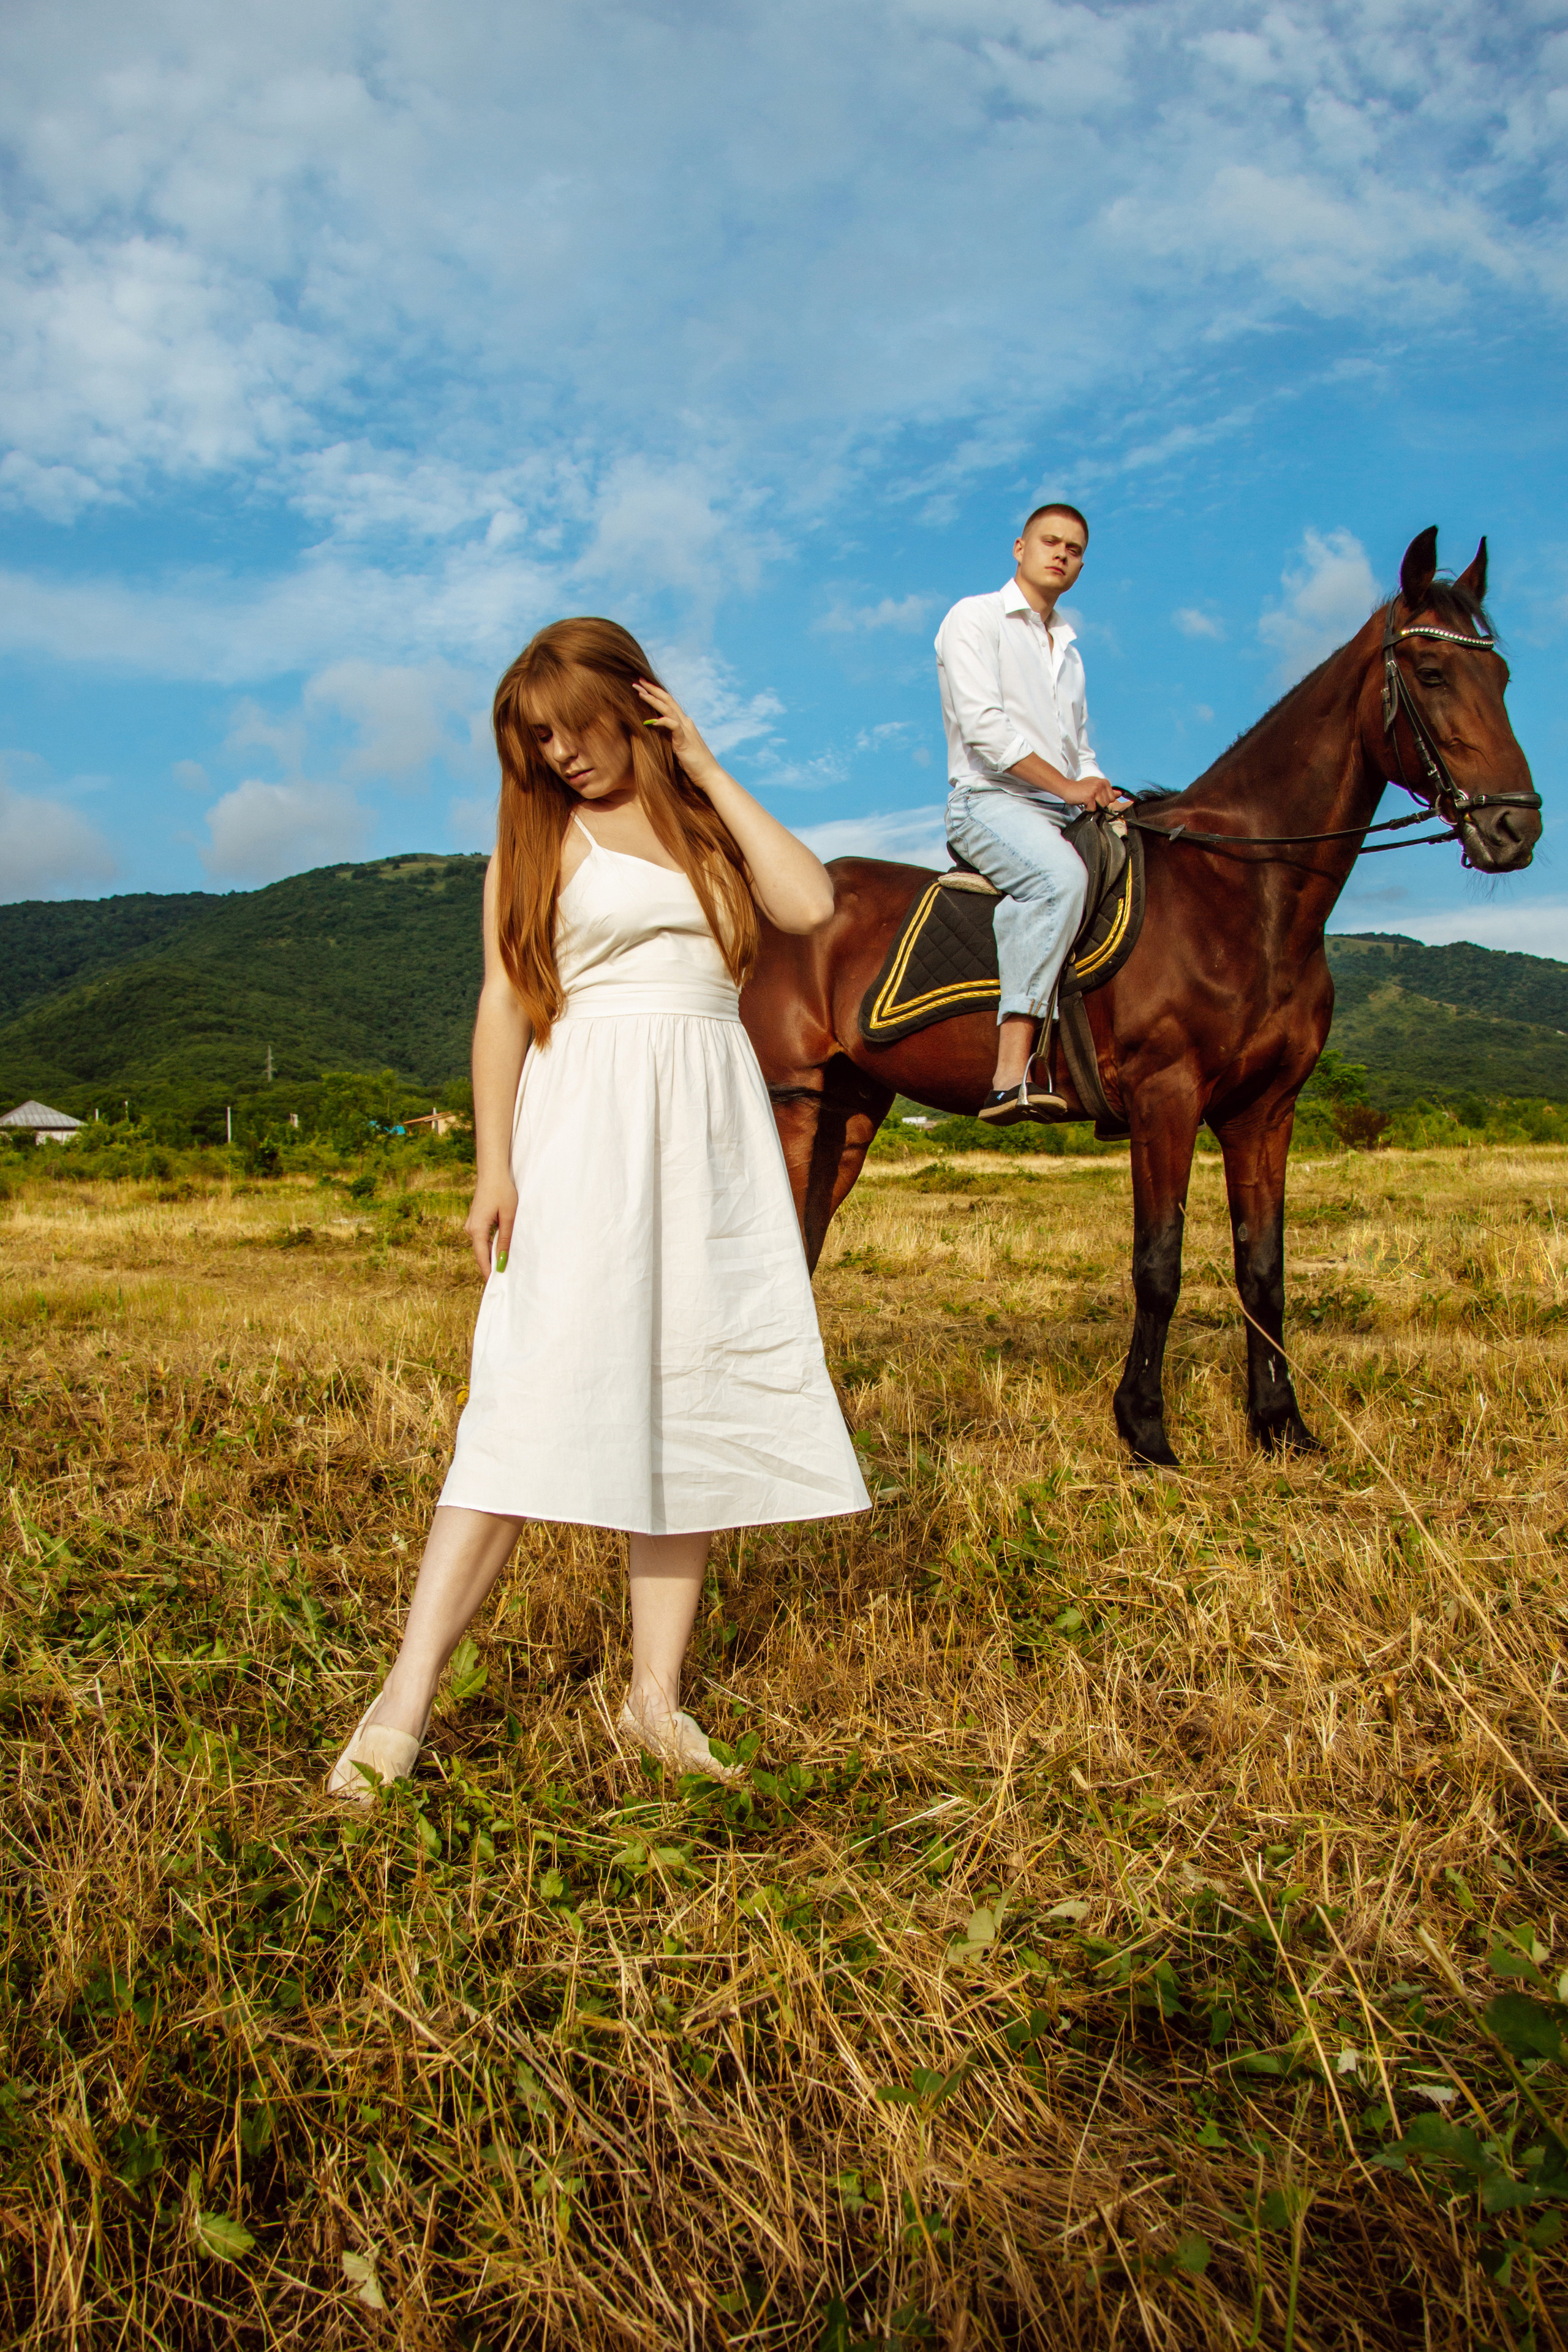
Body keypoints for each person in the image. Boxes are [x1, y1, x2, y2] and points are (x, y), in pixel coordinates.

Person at [327, 617, 869, 1798]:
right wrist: (493, 1167)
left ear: (635, 704)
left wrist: (711, 765)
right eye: (539, 743)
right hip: (587, 1124)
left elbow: (811, 902)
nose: (562, 758)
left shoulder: (706, 821)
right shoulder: (541, 840)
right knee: (526, 1401)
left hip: (712, 1133)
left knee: (690, 1403)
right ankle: (401, 1704)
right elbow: (502, 1006)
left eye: (574, 730)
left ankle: (654, 1704)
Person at [935, 503, 1128, 1126]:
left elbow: (1079, 744)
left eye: (1075, 549)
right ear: (1019, 547)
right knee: (1059, 880)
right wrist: (1068, 788)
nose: (1062, 555)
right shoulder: (974, 617)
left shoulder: (1068, 649)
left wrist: (1096, 786)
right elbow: (984, 730)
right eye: (1051, 542)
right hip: (986, 801)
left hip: (1058, 805)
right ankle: (1008, 1073)